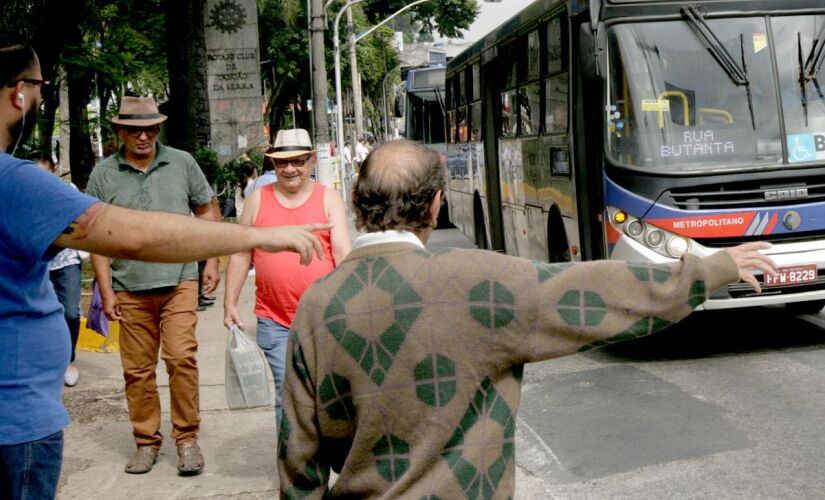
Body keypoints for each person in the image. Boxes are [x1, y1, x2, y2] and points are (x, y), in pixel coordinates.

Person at [277, 139, 778, 498]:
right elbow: (600, 295)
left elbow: (300, 462)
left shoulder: (317, 306)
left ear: (359, 204)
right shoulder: (478, 283)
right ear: (434, 206)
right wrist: (714, 269)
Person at [0, 37, 329, 500]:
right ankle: (146, 440)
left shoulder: (182, 164)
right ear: (19, 93)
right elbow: (133, 236)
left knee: (181, 361)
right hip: (21, 416)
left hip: (177, 285)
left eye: (151, 127)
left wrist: (210, 262)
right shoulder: (34, 180)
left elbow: (204, 210)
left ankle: (187, 438)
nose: (143, 135)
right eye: (38, 87)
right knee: (137, 371)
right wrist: (256, 236)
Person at [224, 128, 351, 431]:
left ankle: (321, 461)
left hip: (324, 318)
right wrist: (229, 303)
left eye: (297, 161)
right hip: (275, 319)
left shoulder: (328, 199)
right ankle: (294, 470)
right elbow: (241, 254)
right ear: (273, 165)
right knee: (288, 392)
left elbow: (343, 251)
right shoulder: (257, 200)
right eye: (282, 163)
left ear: (310, 163)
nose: (290, 168)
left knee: (325, 394)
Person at [36, 155, 83, 387]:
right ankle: (46, 362)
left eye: (45, 173)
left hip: (67, 260)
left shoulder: (68, 191)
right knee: (40, 315)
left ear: (54, 171)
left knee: (71, 313)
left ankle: (69, 360)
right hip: (37, 263)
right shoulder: (25, 195)